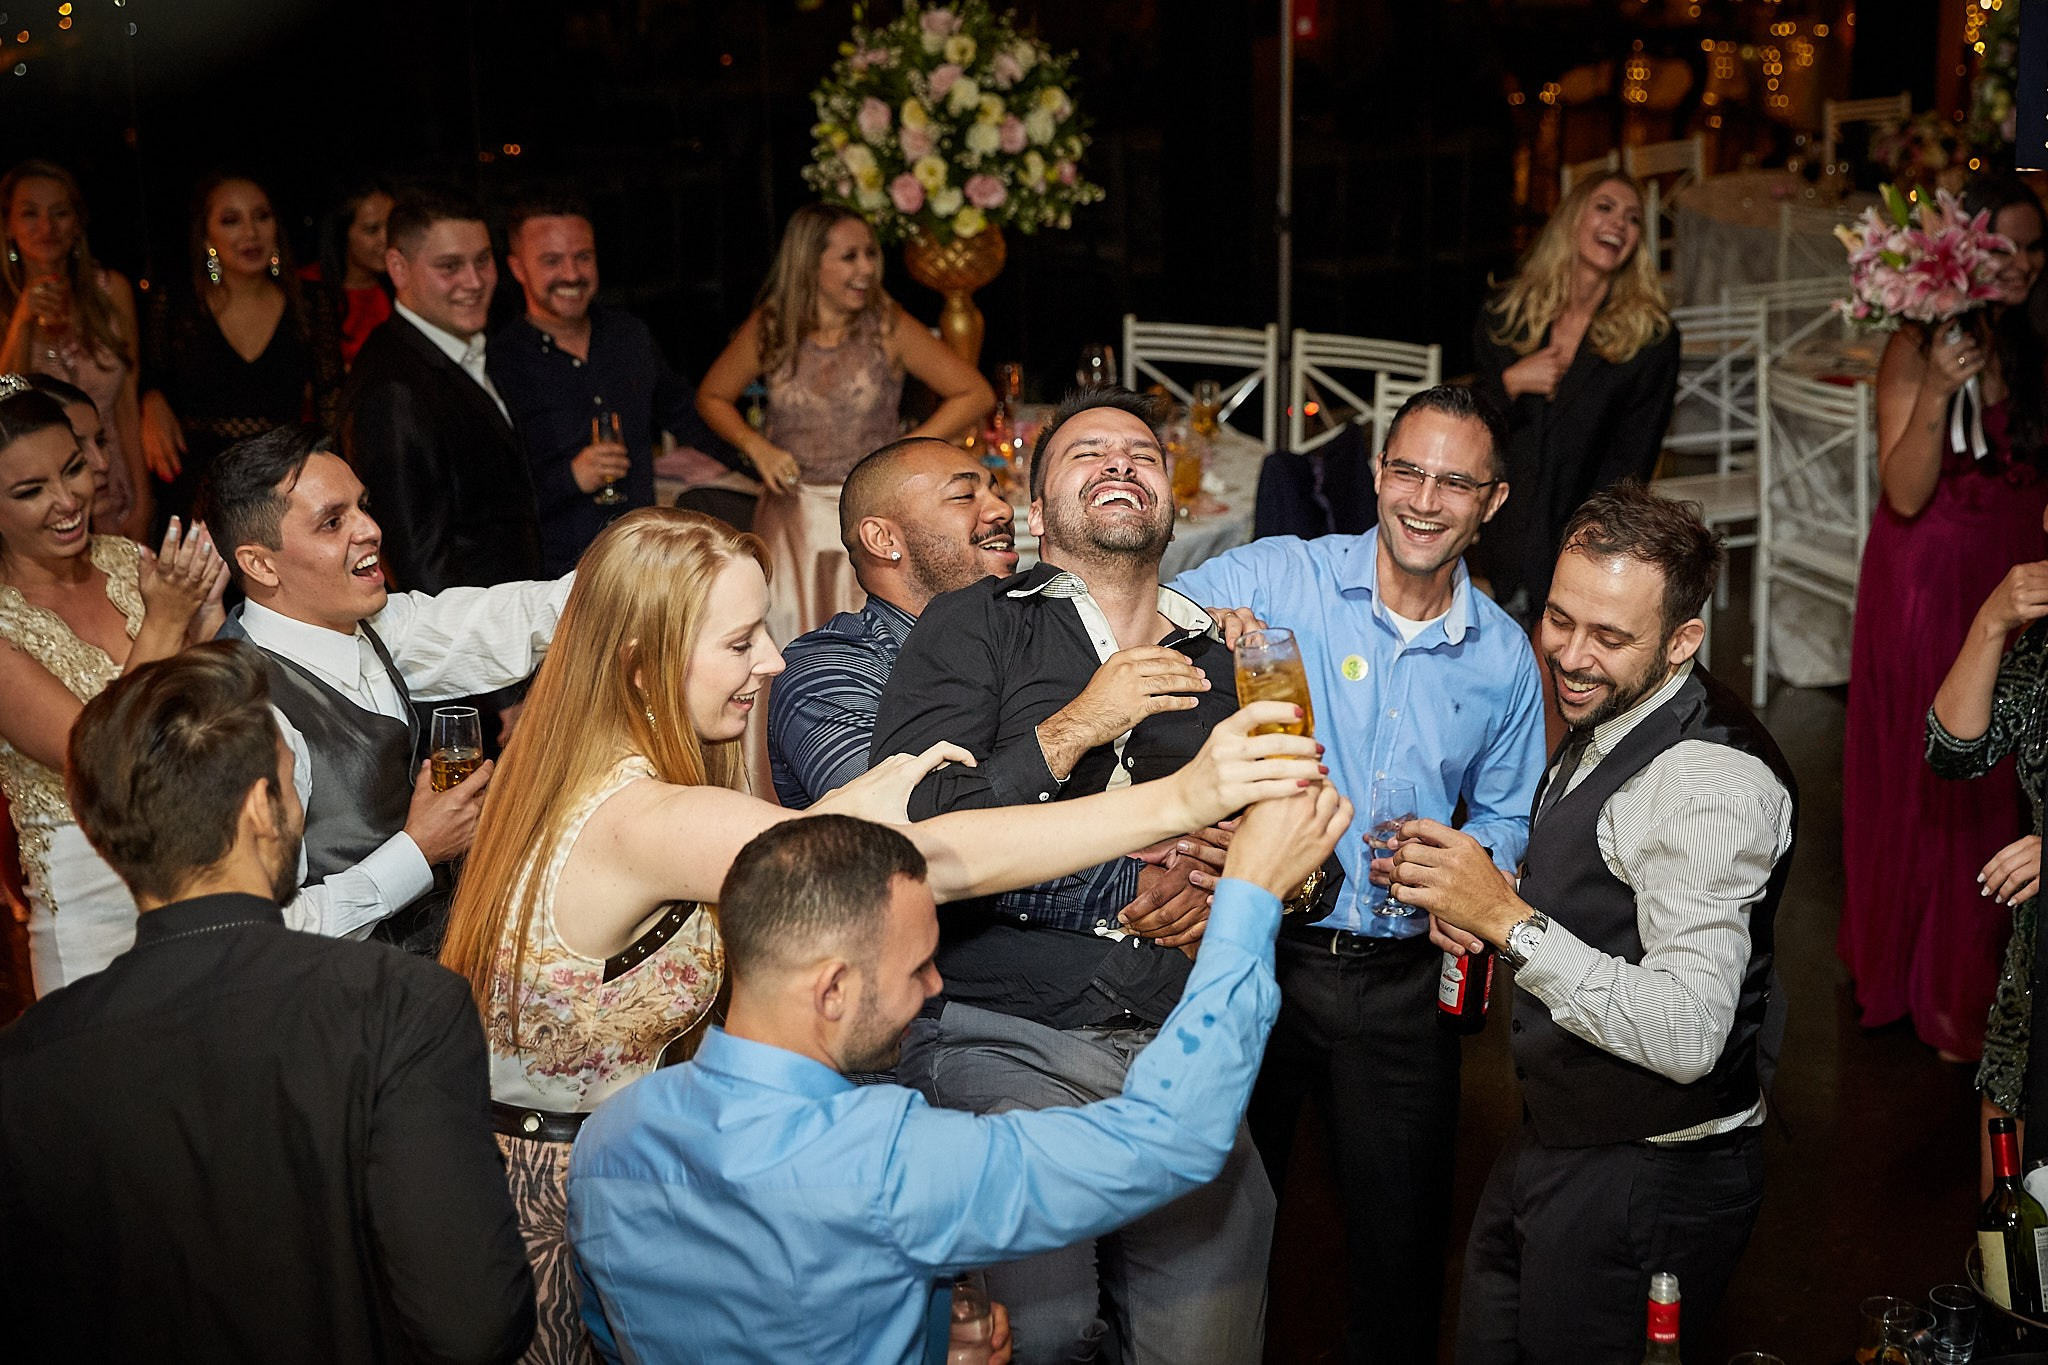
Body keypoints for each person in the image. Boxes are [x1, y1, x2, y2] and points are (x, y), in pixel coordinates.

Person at [435, 505, 1318, 1364]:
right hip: (572, 1213)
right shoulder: (644, 816)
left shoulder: (597, 779)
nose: (772, 660)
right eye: (741, 642)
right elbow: (922, 864)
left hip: (623, 1182)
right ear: (640, 665)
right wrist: (1184, 800)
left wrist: (833, 814)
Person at [568, 782, 1350, 1365]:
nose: (937, 985)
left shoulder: (611, 1137)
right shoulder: (887, 1162)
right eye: (916, 968)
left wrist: (922, 1333)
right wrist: (1249, 895)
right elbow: (1169, 1137)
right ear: (833, 989)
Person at [871, 388, 1273, 1365]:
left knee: (1208, 1345)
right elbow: (908, 841)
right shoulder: (974, 625)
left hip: (1188, 1050)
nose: (1119, 462)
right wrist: (1075, 727)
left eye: (1138, 453)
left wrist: (1242, 879)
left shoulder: (1227, 652)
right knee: (1039, 1334)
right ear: (1037, 515)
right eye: (1084, 452)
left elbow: (1304, 845)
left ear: (1171, 503)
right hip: (1012, 1042)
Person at [0, 641, 536, 1362]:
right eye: (292, 783)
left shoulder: (27, 1061)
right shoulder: (401, 1006)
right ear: (261, 808)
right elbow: (473, 1325)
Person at [1169, 382, 1545, 1363]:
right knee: (1208, 1219)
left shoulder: (1502, 658)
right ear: (1378, 475)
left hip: (1397, 985)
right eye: (1407, 472)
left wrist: (1476, 865)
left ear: (1489, 502)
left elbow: (1507, 809)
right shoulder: (1285, 577)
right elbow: (1151, 621)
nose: (1423, 501)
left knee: (1398, 1247)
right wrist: (1195, 774)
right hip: (1256, 952)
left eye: (1453, 482)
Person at [1393, 482, 1795, 1363]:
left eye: (1610, 637)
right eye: (1562, 620)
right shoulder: (1621, 705)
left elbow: (1690, 1031)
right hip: (1563, 1137)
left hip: (1651, 1175)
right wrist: (1496, 895)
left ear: (1684, 640)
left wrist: (1510, 921)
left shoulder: (1706, 784)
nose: (1572, 656)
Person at [203, 425, 570, 955]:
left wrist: (642, 569)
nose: (371, 529)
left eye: (362, 507)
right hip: (343, 1007)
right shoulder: (240, 711)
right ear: (260, 564)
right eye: (333, 522)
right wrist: (418, 852)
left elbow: (513, 618)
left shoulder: (373, 623)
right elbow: (256, 931)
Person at [1841, 175, 2048, 1062]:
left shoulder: (2036, 337)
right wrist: (1937, 388)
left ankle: (2007, 971)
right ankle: (1935, 983)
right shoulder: (1919, 342)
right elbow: (1906, 489)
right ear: (1964, 252)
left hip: (2017, 561)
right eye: (2005, 247)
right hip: (1932, 576)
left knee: (2017, 768)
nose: (2025, 263)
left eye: (2037, 246)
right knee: (1946, 777)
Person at [0, 378, 224, 995]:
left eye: (73, 469)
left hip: (197, 875)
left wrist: (207, 628)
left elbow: (200, 717)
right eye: (29, 491)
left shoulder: (129, 561)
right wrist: (169, 619)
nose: (68, 499)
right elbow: (100, 758)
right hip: (93, 910)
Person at [696, 203, 993, 645]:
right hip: (793, 515)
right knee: (782, 636)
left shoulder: (886, 325)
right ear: (809, 261)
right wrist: (757, 447)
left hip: (869, 517)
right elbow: (711, 396)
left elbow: (975, 393)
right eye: (850, 256)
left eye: (871, 254)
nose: (867, 269)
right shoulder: (774, 326)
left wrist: (903, 453)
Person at [490, 192, 740, 577]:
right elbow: (492, 497)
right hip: (555, 576)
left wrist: (767, 460)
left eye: (583, 257)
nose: (572, 274)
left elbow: (689, 416)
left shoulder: (628, 336)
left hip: (643, 562)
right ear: (517, 268)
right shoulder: (502, 362)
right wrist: (569, 478)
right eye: (552, 261)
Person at [1470, 170, 1680, 622]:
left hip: (1571, 560)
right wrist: (1511, 383)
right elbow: (1469, 426)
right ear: (1572, 219)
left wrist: (1574, 574)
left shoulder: (1650, 339)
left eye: (1632, 219)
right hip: (1483, 550)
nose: (1618, 224)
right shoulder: (1506, 313)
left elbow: (1629, 468)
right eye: (1604, 207)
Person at [768, 435, 1018, 808]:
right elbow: (906, 827)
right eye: (965, 496)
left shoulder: (1032, 632)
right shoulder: (827, 676)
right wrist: (1067, 734)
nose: (1003, 510)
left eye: (996, 493)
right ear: (883, 539)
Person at [341, 184, 543, 594]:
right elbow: (416, 565)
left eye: (483, 261)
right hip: (470, 642)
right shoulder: (393, 389)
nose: (474, 281)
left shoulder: (469, 347)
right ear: (397, 268)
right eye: (450, 267)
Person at [1927, 517, 2048, 1194]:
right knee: (2010, 1198)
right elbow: (1953, 750)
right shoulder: (2044, 648)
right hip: (2035, 963)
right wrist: (1991, 620)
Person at [140, 171, 343, 527]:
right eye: (231, 220)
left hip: (282, 488)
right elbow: (150, 371)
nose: (251, 233)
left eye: (262, 217)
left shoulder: (311, 302)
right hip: (196, 491)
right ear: (207, 235)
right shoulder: (174, 302)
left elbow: (331, 400)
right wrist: (151, 399)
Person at [0, 159, 148, 539]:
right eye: (30, 213)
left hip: (111, 479)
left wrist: (143, 498)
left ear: (78, 223)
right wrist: (23, 322)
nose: (46, 227)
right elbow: (7, 406)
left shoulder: (111, 290)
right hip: (40, 495)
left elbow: (127, 403)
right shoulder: (5, 308)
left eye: (60, 213)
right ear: (9, 225)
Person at [304, 177, 396, 368]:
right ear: (342, 233)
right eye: (372, 230)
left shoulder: (403, 287)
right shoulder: (308, 289)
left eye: (392, 226)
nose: (386, 239)